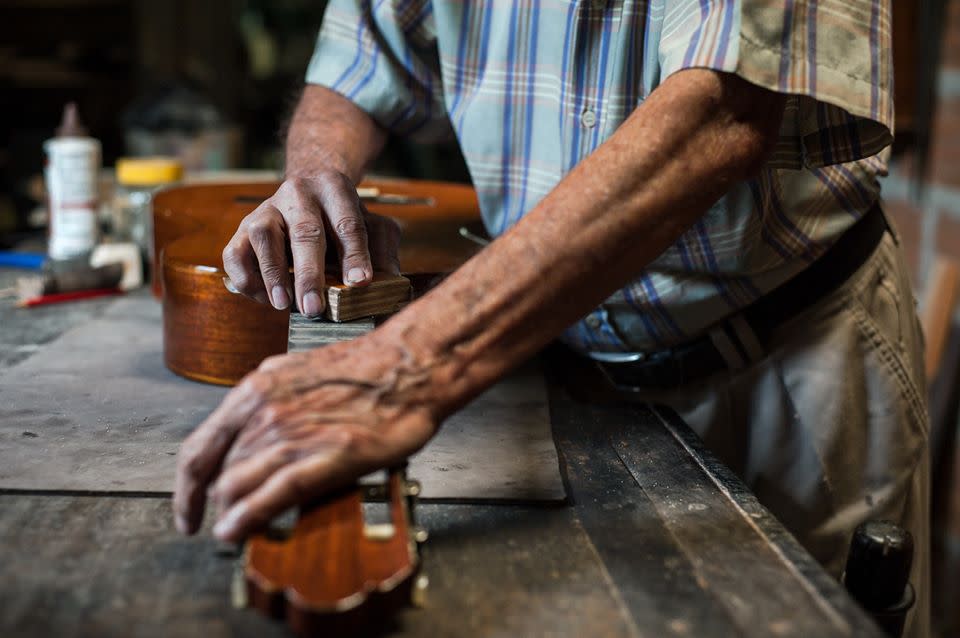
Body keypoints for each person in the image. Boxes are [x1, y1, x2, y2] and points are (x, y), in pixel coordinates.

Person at [173, 2, 928, 635]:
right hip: (552, 354)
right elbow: (361, 56)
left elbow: (723, 110)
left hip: (776, 364)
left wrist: (403, 368)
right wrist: (316, 176)